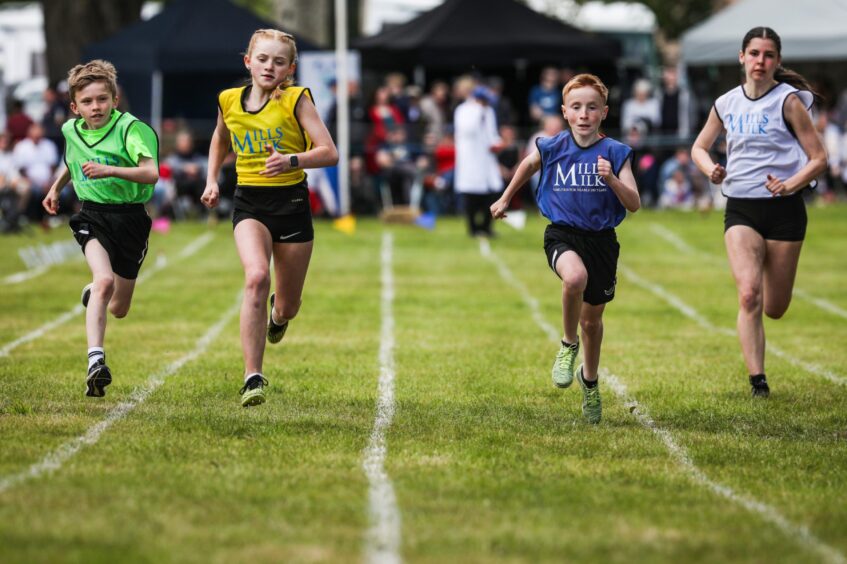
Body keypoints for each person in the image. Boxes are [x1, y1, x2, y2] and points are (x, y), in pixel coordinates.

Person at [490, 74, 640, 424]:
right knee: (574, 278)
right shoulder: (553, 145)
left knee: (593, 322)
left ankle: (589, 381)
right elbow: (528, 164)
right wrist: (505, 197)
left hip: (602, 241)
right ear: (565, 112)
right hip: (562, 234)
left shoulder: (616, 153)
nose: (584, 114)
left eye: (591, 107)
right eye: (576, 107)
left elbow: (633, 203)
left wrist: (613, 180)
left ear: (604, 112)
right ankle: (567, 345)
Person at [201, 29, 338, 408]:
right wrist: (212, 179)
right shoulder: (229, 100)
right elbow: (219, 138)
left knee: (288, 305)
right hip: (249, 203)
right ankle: (253, 377)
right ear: (248, 61)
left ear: (289, 68)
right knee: (257, 276)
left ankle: (279, 316)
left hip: (292, 202)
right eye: (262, 59)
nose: (269, 66)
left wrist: (291, 160)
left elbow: (330, 152)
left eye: (278, 61)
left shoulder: (297, 100)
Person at [691, 27, 827, 398]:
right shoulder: (726, 103)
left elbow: (819, 159)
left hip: (785, 211)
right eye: (754, 53)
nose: (760, 61)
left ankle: (769, 285)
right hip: (742, 209)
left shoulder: (788, 102)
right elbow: (699, 148)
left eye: (768, 55)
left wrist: (791, 183)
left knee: (776, 307)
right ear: (741, 57)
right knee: (749, 294)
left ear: (777, 61)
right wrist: (711, 170)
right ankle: (758, 381)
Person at [41, 60, 159, 398]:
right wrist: (55, 188)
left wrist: (111, 171)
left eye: (102, 100)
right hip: (92, 215)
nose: (96, 107)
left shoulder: (130, 129)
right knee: (104, 279)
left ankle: (94, 294)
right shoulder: (69, 130)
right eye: (88, 102)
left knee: (118, 307)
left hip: (132, 218)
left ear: (115, 99)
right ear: (75, 107)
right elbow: (73, 161)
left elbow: (151, 173)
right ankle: (96, 361)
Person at [454, 85, 502, 237]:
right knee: (471, 195)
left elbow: (491, 132)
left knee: (493, 191)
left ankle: (486, 226)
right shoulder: (463, 110)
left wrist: (497, 142)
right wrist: (478, 112)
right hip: (470, 158)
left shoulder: (488, 111)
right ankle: (473, 228)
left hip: (486, 159)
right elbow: (468, 129)